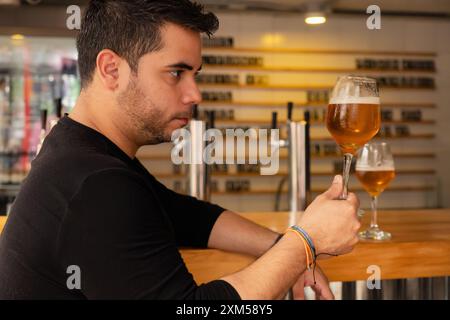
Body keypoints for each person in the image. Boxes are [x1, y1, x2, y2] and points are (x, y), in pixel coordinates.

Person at [0, 0, 360, 300]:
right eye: (176, 73)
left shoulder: (82, 151)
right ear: (111, 69)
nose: (195, 94)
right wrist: (304, 244)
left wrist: (281, 245)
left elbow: (185, 216)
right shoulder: (95, 183)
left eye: (195, 74)